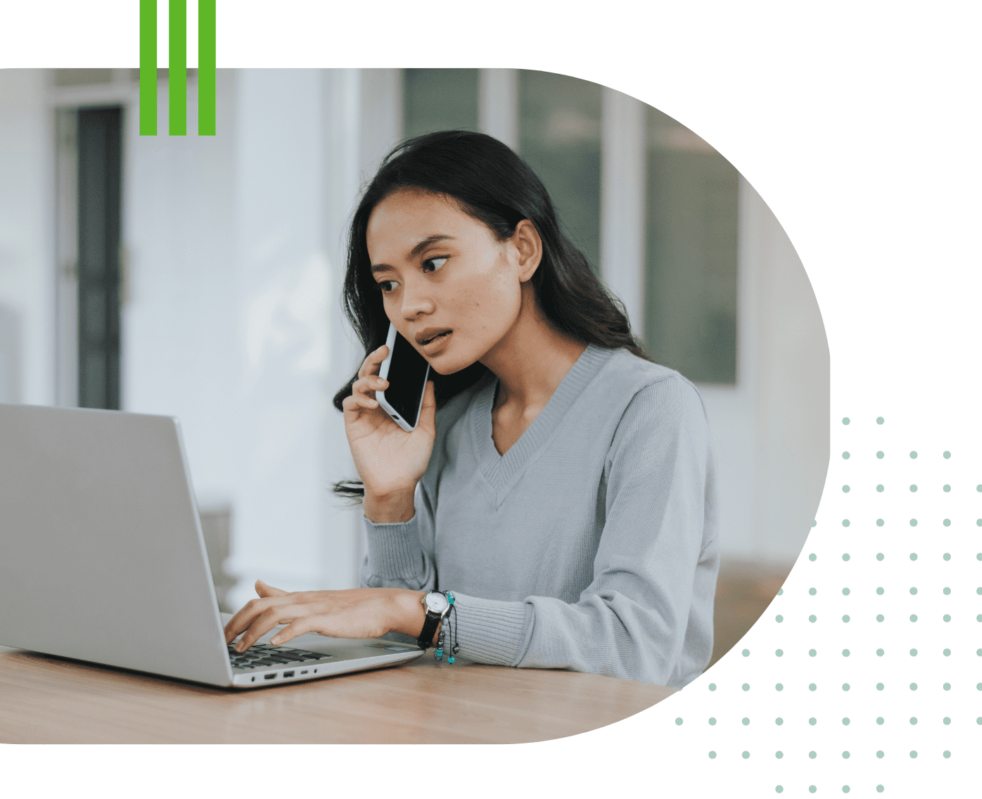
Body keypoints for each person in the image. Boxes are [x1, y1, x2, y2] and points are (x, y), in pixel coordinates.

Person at [224, 130, 719, 689]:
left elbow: (635, 645)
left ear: (523, 250)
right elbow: (400, 645)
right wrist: (390, 499)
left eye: (433, 262)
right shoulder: (448, 424)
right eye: (388, 283)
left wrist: (415, 612)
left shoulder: (651, 407)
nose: (410, 306)